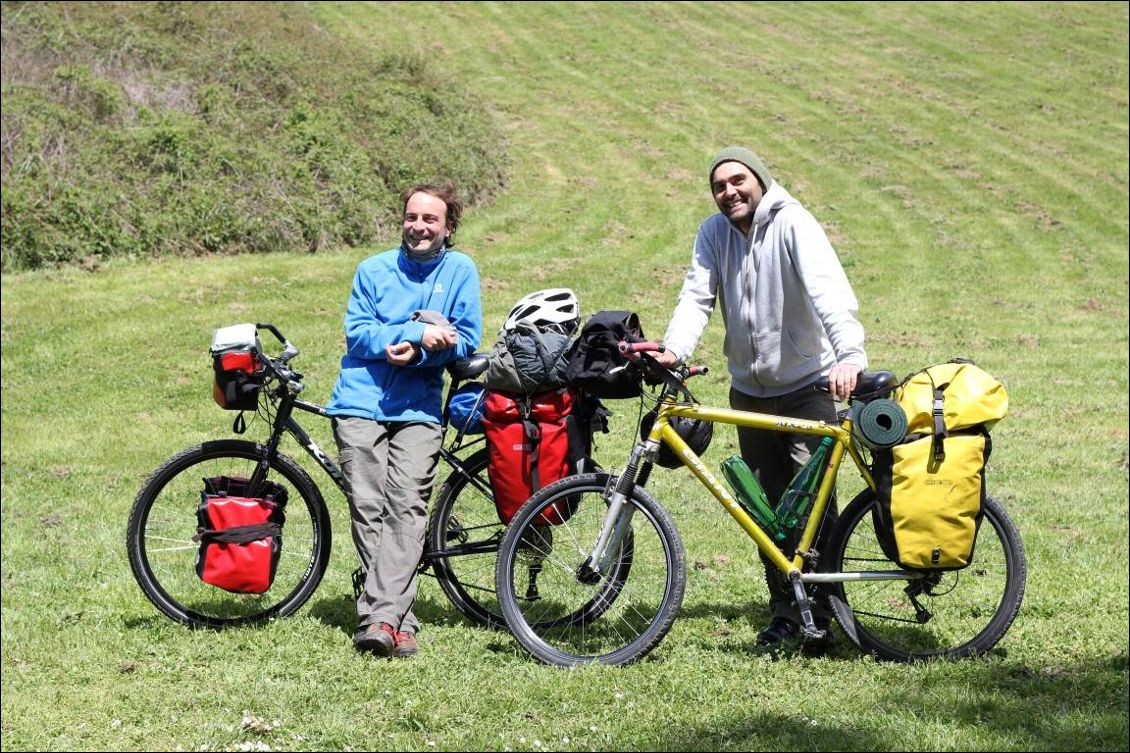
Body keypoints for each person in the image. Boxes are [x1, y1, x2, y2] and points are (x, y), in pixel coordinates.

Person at [654, 146, 866, 648]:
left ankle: (824, 609)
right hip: (748, 393)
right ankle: (785, 610)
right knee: (764, 509)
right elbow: (696, 296)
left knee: (812, 505)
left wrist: (849, 355)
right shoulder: (713, 233)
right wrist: (674, 351)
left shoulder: (794, 223)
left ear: (761, 180)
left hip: (805, 387)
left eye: (737, 180)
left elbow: (828, 292)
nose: (729, 192)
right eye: (719, 186)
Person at [326, 183, 482, 658]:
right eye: (412, 217)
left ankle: (381, 617)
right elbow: (358, 333)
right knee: (369, 508)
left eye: (430, 220)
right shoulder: (372, 269)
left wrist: (428, 349)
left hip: (418, 408)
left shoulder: (460, 270)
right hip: (359, 402)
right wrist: (414, 333)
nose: (419, 227)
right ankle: (397, 621)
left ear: (447, 227)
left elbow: (467, 337)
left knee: (408, 507)